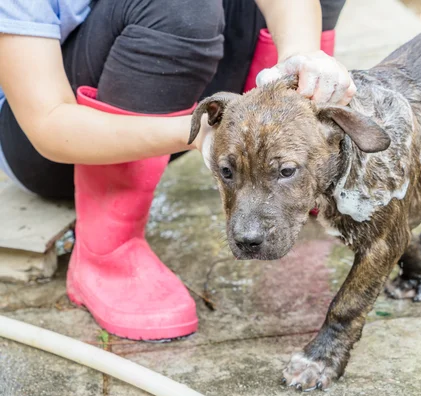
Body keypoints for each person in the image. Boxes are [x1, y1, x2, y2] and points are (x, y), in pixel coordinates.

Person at [0, 0, 355, 341]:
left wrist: (302, 61)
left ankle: (292, 177)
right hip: (60, 149)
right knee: (180, 5)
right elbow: (47, 125)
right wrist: (198, 135)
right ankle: (108, 254)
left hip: (171, 101)